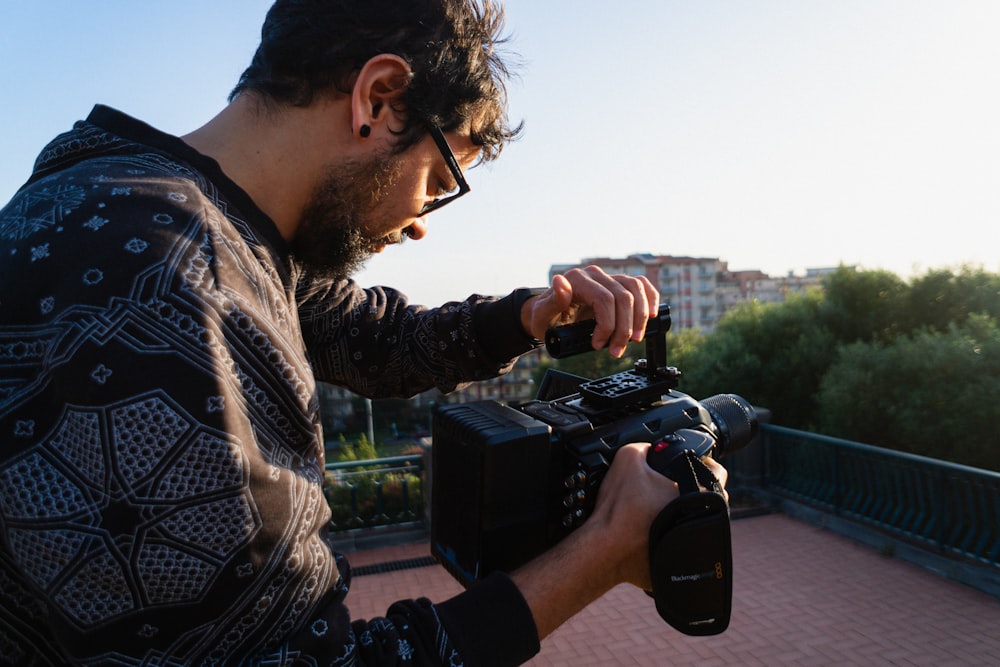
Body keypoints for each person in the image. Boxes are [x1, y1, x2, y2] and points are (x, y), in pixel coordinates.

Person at [0, 0, 727, 664]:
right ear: (377, 99)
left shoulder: (134, 200)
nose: (416, 222)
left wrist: (529, 315)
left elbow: (370, 337)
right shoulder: (168, 277)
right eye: (438, 184)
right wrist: (604, 551)